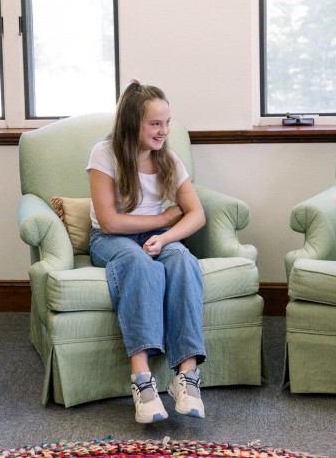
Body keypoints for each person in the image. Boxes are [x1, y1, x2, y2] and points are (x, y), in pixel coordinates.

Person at [87, 80, 208, 424]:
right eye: (155, 124)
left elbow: (196, 214)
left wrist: (167, 236)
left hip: (156, 236)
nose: (164, 131)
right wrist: (163, 217)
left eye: (167, 123)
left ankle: (186, 377)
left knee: (184, 261)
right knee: (138, 263)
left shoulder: (168, 158)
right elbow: (109, 222)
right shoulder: (104, 154)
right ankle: (141, 380)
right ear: (131, 124)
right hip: (110, 239)